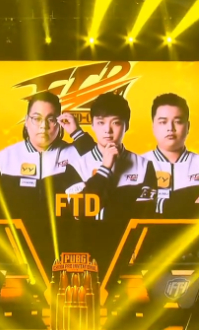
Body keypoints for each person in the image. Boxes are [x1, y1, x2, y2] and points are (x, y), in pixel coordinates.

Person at [0, 91, 95, 269]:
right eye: (37, 118)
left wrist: (77, 133)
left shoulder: (74, 153)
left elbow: (103, 164)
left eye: (51, 119)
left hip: (66, 255)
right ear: (26, 121)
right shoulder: (5, 158)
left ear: (60, 123)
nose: (43, 126)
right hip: (16, 256)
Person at [63, 93, 157, 267]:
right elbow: (80, 211)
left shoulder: (144, 166)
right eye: (101, 123)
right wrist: (105, 168)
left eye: (115, 123)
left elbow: (144, 216)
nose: (108, 130)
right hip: (85, 256)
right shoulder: (76, 165)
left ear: (126, 125)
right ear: (92, 125)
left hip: (128, 256)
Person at [142, 93, 199, 218]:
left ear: (188, 126)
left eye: (178, 121)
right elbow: (142, 210)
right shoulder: (139, 165)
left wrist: (161, 203)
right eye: (163, 122)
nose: (170, 128)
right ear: (153, 126)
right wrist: (194, 200)